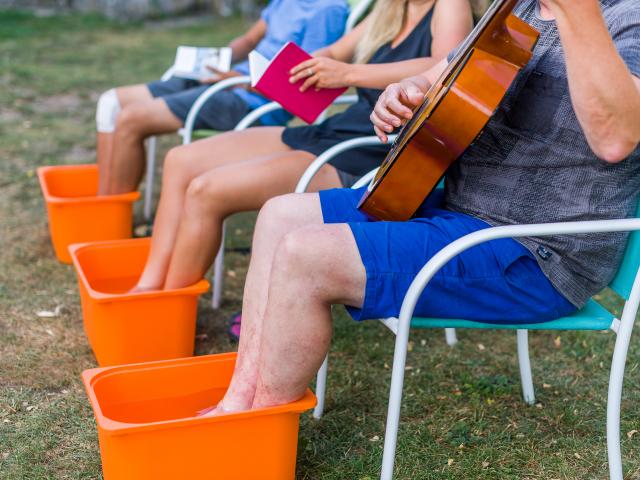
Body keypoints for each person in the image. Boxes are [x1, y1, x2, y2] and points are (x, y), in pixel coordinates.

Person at [201, 0, 640, 416]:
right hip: (461, 212)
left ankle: (261, 424)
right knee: (280, 216)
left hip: (535, 253)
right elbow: (444, 70)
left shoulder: (628, 19)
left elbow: (617, 138)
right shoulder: (518, 6)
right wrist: (408, 90)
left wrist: (577, 10)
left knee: (306, 256)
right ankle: (237, 402)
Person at [131, 0, 474, 300]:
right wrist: (317, 62)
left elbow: (446, 64)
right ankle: (148, 286)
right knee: (180, 160)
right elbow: (336, 52)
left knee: (206, 191)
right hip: (338, 129)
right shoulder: (390, 8)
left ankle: (170, 304)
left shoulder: (448, 4)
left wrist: (348, 73)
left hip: (374, 148)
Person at [95, 0, 349, 195]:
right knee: (111, 103)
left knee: (131, 119)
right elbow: (250, 39)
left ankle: (110, 212)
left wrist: (235, 80)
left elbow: (303, 81)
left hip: (252, 101)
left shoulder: (328, 10)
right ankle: (100, 199)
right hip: (227, 79)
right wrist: (218, 59)